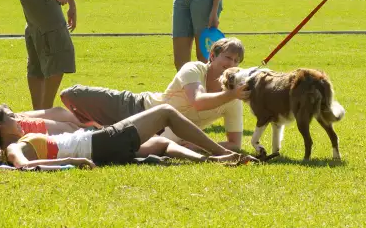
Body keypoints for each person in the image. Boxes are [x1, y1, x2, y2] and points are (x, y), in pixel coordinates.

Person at [60, 38, 249, 151]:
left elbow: (235, 144)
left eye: (236, 61)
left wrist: (198, 146)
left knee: (118, 145)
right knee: (72, 95)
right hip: (137, 107)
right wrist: (232, 94)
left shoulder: (233, 98)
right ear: (213, 56)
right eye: (227, 57)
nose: (232, 64)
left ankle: (91, 129)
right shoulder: (195, 68)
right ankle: (87, 124)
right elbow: (198, 102)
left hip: (163, 132)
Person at [0, 103, 253, 168]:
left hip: (101, 148)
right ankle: (220, 152)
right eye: (10, 117)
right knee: (165, 111)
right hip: (99, 143)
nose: (18, 118)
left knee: (160, 142)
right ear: (0, 128)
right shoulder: (12, 149)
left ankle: (211, 161)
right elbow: (24, 168)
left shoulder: (14, 144)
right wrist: (71, 162)